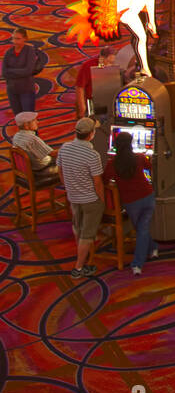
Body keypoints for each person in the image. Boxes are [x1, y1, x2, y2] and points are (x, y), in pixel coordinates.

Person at [103, 130, 158, 275]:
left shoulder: (112, 164)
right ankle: (153, 248)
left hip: (131, 202)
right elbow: (150, 167)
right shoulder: (139, 157)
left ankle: (137, 264)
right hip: (147, 196)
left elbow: (104, 180)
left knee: (141, 229)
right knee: (142, 229)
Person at [57, 117, 105, 278]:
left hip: (73, 197)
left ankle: (82, 257)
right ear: (91, 134)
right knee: (87, 234)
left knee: (78, 227)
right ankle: (78, 267)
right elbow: (97, 182)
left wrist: (68, 187)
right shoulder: (92, 155)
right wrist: (102, 200)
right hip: (90, 199)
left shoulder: (64, 147)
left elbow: (60, 170)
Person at [97, 0, 157, 75]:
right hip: (125, 11)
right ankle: (151, 23)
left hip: (131, 7)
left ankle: (145, 68)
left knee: (142, 38)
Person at [3, 26, 48, 115]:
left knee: (28, 118)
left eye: (18, 39)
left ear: (25, 39)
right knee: (19, 118)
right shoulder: (9, 52)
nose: (15, 41)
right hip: (12, 90)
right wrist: (20, 72)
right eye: (13, 38)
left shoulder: (29, 51)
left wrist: (11, 71)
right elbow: (4, 72)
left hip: (26, 90)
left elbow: (28, 70)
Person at [12, 110, 58, 180]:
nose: (37, 122)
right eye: (34, 120)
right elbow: (52, 153)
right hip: (43, 170)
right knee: (71, 161)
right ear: (26, 125)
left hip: (30, 169)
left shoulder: (16, 136)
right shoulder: (32, 139)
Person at [74, 44, 115, 118]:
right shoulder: (88, 66)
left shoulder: (112, 67)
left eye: (112, 62)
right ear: (102, 58)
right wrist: (82, 108)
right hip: (91, 102)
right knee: (93, 123)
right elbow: (79, 87)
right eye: (108, 61)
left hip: (107, 101)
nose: (109, 64)